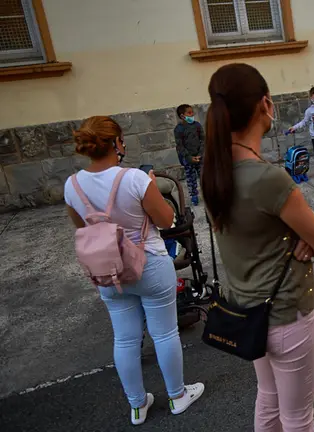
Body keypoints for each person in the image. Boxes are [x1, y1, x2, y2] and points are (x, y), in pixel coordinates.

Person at [201, 63, 314, 432]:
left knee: (269, 398)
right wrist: (302, 237)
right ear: (265, 104)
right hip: (286, 313)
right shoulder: (268, 178)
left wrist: (297, 235)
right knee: (297, 416)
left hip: (248, 311)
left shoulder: (213, 172)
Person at [64, 116, 205, 426]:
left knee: (125, 338)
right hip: (149, 263)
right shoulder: (135, 179)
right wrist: (152, 186)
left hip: (107, 269)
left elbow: (83, 226)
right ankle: (177, 395)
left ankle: (137, 405)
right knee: (164, 331)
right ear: (116, 144)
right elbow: (167, 220)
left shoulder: (71, 185)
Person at [174, 104, 204, 206]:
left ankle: (207, 194)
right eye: (189, 113)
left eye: (192, 112)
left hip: (200, 157)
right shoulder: (178, 129)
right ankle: (194, 196)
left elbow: (203, 140)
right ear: (182, 116)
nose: (192, 114)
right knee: (191, 178)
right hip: (188, 159)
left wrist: (200, 154)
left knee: (203, 176)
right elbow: (180, 146)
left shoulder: (197, 126)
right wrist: (189, 157)